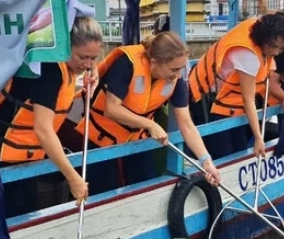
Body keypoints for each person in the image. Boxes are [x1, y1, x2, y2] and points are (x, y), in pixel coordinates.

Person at [73, 31, 222, 194]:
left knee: (147, 185)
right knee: (103, 192)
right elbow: (112, 108)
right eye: (174, 69)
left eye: (181, 68)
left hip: (137, 140)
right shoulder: (127, 64)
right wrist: (149, 124)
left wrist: (206, 161)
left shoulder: (175, 79)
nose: (178, 75)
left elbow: (186, 124)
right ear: (154, 62)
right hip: (100, 139)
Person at [0, 16, 103, 216]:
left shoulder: (68, 65)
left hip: (27, 157)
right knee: (10, 217)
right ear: (65, 46)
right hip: (1, 155)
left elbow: (84, 58)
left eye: (93, 58)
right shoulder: (49, 71)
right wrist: (74, 179)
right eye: (83, 57)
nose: (88, 64)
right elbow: (43, 130)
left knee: (28, 212)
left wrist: (94, 68)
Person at [188, 11, 284, 160]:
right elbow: (248, 99)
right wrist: (258, 138)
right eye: (273, 46)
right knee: (223, 155)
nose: (275, 52)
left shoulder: (259, 36)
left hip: (233, 105)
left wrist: (283, 97)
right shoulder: (248, 55)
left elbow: (264, 79)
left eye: (281, 48)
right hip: (210, 101)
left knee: (239, 149)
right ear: (263, 37)